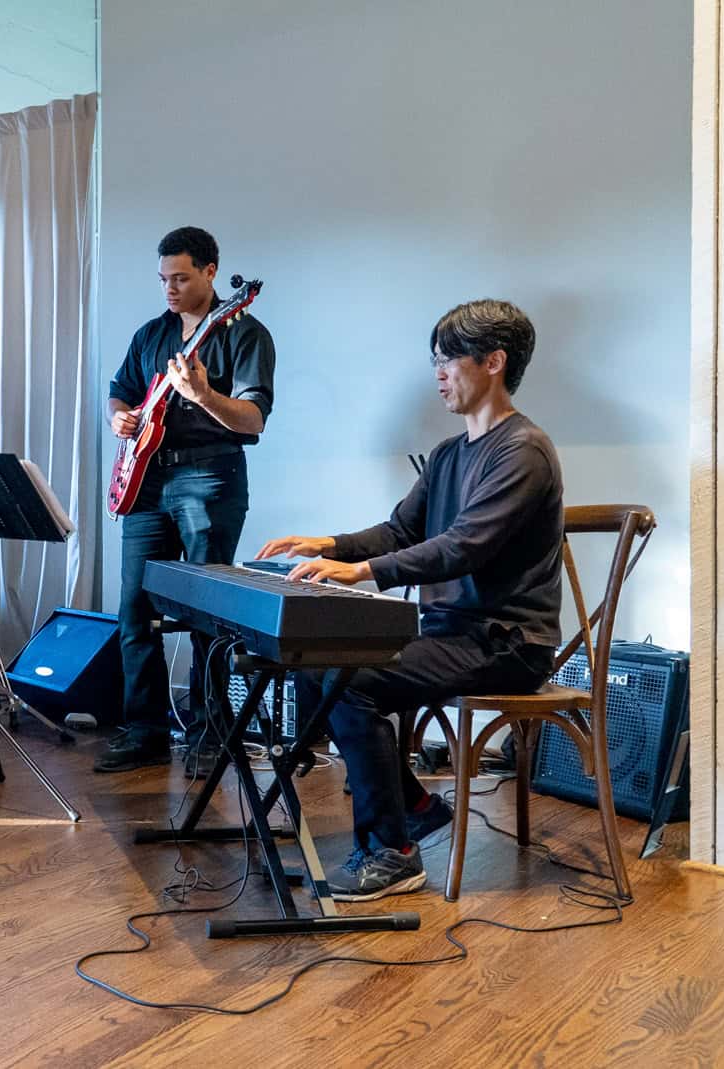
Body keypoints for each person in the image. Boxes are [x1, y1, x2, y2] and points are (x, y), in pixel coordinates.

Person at [255, 299, 563, 901]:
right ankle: (415, 808)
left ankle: (392, 854)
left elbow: (464, 546)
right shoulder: (449, 454)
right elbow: (401, 530)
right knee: (316, 666)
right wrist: (328, 544)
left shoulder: (522, 451)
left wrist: (360, 572)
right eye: (435, 361)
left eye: (449, 360)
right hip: (450, 633)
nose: (438, 374)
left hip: (506, 643)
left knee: (350, 680)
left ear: (494, 362)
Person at [99, 226, 276, 773]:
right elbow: (119, 391)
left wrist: (203, 395)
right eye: (163, 280)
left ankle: (209, 735)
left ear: (210, 271)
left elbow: (253, 420)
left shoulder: (244, 333)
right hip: (147, 481)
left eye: (180, 278)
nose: (170, 289)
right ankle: (144, 730)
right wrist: (118, 417)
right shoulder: (151, 333)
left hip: (210, 477)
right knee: (135, 610)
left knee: (207, 613)